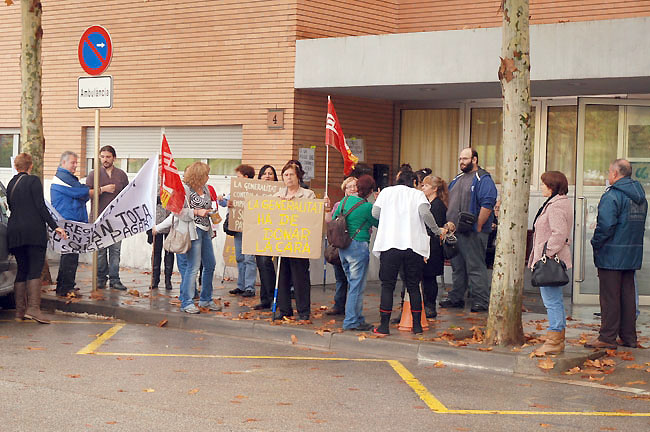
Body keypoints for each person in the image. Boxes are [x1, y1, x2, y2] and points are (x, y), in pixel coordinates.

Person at [372, 170, 445, 335]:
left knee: (387, 285)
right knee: (413, 285)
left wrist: (389, 219)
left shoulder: (386, 192)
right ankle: (417, 326)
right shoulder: (417, 195)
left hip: (389, 244)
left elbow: (375, 213)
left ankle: (384, 326)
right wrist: (436, 230)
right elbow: (426, 213)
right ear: (414, 182)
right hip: (413, 246)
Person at [586, 159, 647, 350]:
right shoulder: (640, 196)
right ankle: (629, 337)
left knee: (610, 297)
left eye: (608, 172)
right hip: (631, 253)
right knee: (627, 296)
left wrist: (595, 243)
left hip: (611, 254)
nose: (607, 175)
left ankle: (607, 337)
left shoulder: (612, 196)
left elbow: (606, 225)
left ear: (615, 173)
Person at [7, 153, 67, 323]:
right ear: (31, 166)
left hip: (14, 232)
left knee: (22, 269)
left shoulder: (11, 183)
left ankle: (20, 311)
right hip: (33, 232)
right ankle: (33, 309)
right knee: (34, 269)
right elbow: (40, 207)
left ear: (16, 166)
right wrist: (55, 226)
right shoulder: (33, 181)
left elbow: (12, 207)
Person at [155, 162, 221, 314]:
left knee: (210, 264)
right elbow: (178, 212)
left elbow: (207, 206)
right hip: (192, 231)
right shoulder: (184, 190)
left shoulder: (205, 188)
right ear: (198, 176)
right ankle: (186, 301)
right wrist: (197, 212)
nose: (208, 177)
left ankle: (206, 299)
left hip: (205, 229)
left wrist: (210, 213)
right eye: (206, 174)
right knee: (193, 267)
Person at [440, 147, 497, 313]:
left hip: (473, 231)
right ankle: (456, 298)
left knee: (475, 267)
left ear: (474, 159)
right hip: (455, 231)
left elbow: (488, 203)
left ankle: (481, 300)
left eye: (465, 159)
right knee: (458, 267)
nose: (461, 162)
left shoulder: (483, 179)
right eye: (460, 159)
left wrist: (478, 226)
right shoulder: (457, 178)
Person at [528, 171, 573, 355]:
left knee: (552, 302)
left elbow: (559, 234)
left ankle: (554, 340)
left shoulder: (555, 206)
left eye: (543, 184)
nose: (540, 187)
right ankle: (557, 337)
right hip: (554, 259)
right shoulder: (559, 202)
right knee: (555, 301)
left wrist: (545, 252)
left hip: (550, 261)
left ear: (552, 187)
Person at [332, 175, 378, 331]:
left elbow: (334, 217)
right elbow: (378, 222)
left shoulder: (344, 202)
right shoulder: (367, 207)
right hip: (358, 246)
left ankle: (357, 317)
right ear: (370, 191)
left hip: (343, 247)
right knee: (356, 286)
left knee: (352, 283)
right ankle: (352, 320)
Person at [274, 161, 317, 322]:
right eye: (286, 175)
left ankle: (303, 310)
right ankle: (284, 310)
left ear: (298, 176)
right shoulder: (276, 195)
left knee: (300, 278)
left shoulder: (308, 194)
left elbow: (311, 217)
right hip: (281, 242)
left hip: (299, 242)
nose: (289, 178)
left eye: (292, 174)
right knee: (282, 277)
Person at [86, 145, 129, 290]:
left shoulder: (121, 175)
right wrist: (102, 189)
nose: (105, 159)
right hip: (98, 219)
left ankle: (115, 279)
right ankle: (100, 278)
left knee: (115, 251)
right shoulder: (94, 174)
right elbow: (87, 193)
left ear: (114, 158)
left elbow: (128, 195)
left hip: (116, 220)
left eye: (108, 157)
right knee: (100, 251)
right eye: (102, 156)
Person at [51, 151, 89, 297]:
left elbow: (82, 195)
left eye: (76, 163)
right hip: (68, 222)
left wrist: (83, 192)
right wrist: (89, 190)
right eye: (73, 163)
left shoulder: (68, 178)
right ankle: (65, 288)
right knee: (70, 257)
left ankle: (66, 284)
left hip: (72, 221)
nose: (75, 166)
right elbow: (80, 192)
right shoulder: (63, 178)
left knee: (71, 256)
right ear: (63, 163)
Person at [324, 177, 357, 316]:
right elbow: (329, 221)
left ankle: (352, 309)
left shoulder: (363, 204)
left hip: (356, 244)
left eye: (355, 186)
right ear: (345, 190)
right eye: (349, 187)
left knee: (354, 280)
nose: (353, 189)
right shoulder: (339, 205)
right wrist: (327, 208)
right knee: (341, 278)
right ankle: (339, 305)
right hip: (341, 245)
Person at [226, 164, 258, 298]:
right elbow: (226, 200)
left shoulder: (256, 190)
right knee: (240, 257)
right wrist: (226, 202)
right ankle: (241, 285)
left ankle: (249, 287)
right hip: (238, 228)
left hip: (251, 229)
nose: (236, 178)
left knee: (249, 259)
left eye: (238, 176)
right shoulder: (236, 190)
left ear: (245, 177)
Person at [420, 175, 449, 319]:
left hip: (432, 245)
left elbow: (434, 227)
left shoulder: (438, 206)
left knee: (430, 277)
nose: (422, 187)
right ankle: (425, 304)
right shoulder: (426, 203)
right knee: (425, 276)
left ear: (434, 189)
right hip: (425, 243)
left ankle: (430, 306)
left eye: (425, 185)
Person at [253, 164, 278, 310]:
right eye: (265, 173)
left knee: (267, 264)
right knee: (261, 265)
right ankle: (265, 299)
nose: (267, 176)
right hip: (258, 233)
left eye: (270, 173)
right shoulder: (253, 192)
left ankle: (271, 297)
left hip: (273, 233)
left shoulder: (280, 192)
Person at [147, 195, 174, 290]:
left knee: (169, 252)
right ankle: (155, 278)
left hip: (169, 221)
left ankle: (168, 279)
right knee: (156, 252)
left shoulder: (171, 181)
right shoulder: (153, 181)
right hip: (156, 222)